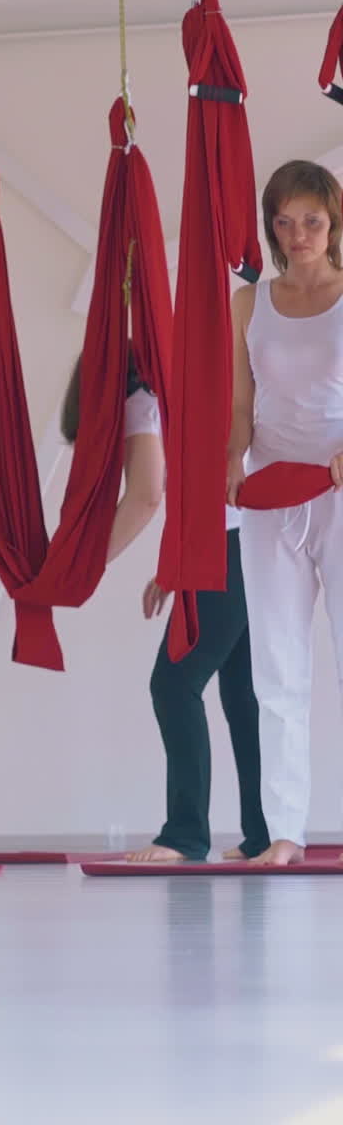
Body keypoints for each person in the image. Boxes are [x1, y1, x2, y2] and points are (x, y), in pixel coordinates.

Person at [229, 159, 343, 867]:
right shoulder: (251, 303)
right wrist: (229, 464)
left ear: (333, 223)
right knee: (275, 667)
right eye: (283, 220)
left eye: (311, 219)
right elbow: (242, 405)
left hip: (336, 490)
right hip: (270, 493)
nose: (297, 233)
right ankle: (285, 833)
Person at [128, 508, 269, 863]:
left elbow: (144, 499)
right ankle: (264, 832)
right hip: (245, 539)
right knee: (242, 694)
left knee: (174, 685)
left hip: (224, 544)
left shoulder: (149, 446)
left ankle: (185, 833)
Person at [60, 350, 165, 562]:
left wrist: (83, 566)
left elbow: (145, 498)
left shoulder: (135, 400)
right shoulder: (150, 397)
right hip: (224, 527)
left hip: (229, 527)